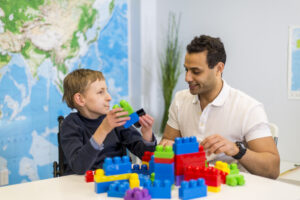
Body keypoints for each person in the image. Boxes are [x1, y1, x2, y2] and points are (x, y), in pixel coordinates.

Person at [159, 35, 280, 179]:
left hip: (231, 189)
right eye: (186, 70)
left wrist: (236, 150)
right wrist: (167, 146)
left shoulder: (248, 108)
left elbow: (273, 169)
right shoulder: (180, 99)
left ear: (219, 68)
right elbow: (167, 141)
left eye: (196, 71)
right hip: (190, 184)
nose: (187, 78)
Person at [61, 69, 156, 175]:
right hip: (80, 184)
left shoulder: (116, 119)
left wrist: (147, 133)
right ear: (80, 99)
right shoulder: (70, 124)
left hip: (114, 180)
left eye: (107, 91)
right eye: (100, 92)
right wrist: (104, 129)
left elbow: (146, 156)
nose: (109, 97)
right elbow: (79, 167)